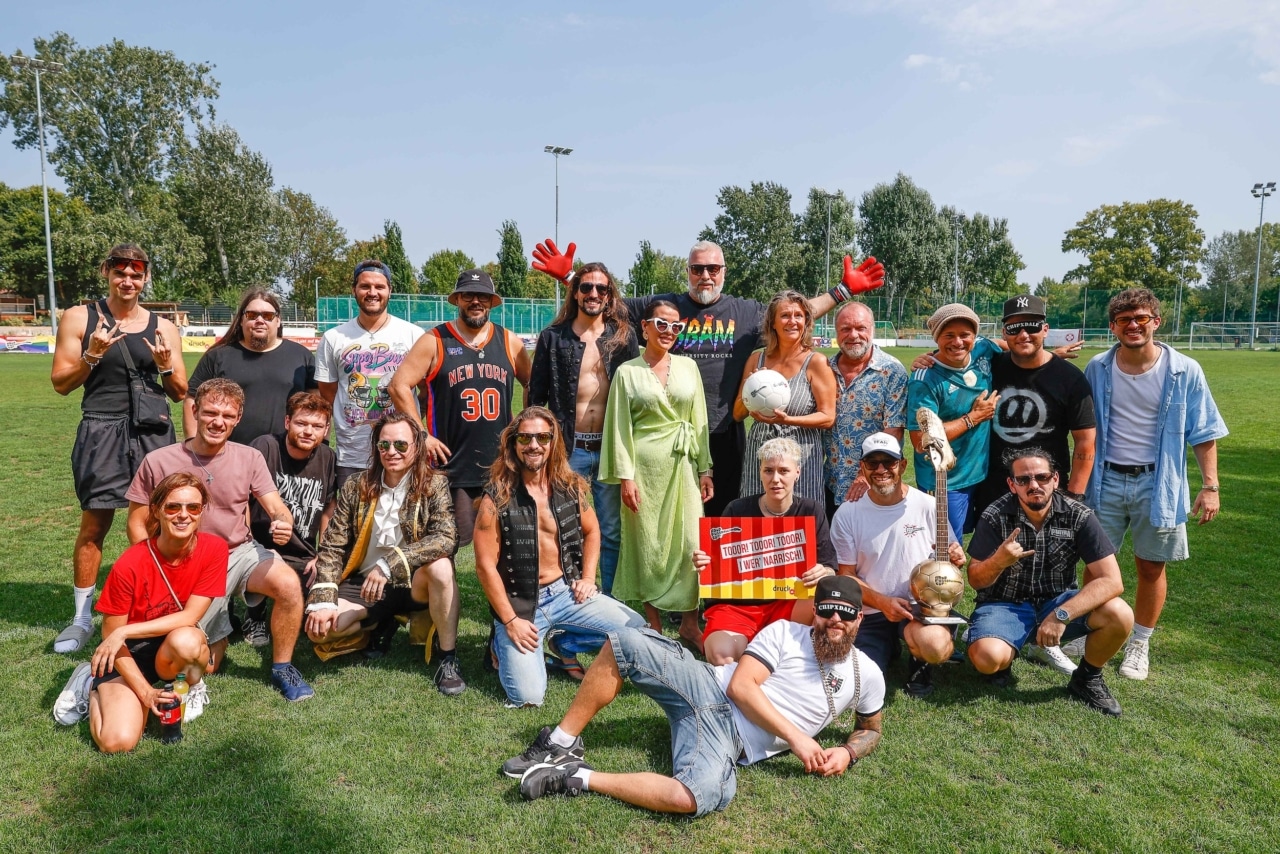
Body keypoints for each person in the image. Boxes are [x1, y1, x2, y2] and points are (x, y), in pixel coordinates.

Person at [533, 238, 884, 514]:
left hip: (724, 432)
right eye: (698, 269)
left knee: (725, 511)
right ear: (687, 271)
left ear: (723, 272)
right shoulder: (662, 308)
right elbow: (602, 301)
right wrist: (571, 278)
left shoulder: (743, 312)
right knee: (672, 511)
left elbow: (793, 313)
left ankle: (716, 594)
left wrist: (842, 291)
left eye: (713, 268)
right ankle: (674, 592)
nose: (706, 276)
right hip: (669, 434)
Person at [502, 576, 884, 816]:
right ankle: (560, 742)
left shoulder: (866, 673)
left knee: (696, 797)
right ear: (814, 612)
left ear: (859, 619)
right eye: (827, 612)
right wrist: (799, 738)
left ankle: (575, 777)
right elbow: (741, 687)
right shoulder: (786, 633)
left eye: (845, 615)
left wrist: (847, 753)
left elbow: (871, 729)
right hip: (707, 687)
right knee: (628, 641)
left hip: (726, 739)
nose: (835, 622)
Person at [125, 378, 314, 704]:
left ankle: (283, 666)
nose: (218, 422)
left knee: (287, 583)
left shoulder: (250, 457)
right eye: (210, 412)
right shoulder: (159, 461)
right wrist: (154, 566)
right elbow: (136, 522)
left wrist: (283, 522)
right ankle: (222, 630)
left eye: (227, 416)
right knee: (201, 665)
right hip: (184, 562)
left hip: (237, 553)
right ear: (195, 411)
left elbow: (275, 506)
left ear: (238, 418)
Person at [1081, 288, 1227, 681]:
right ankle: (1088, 629)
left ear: (1155, 322)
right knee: (1096, 567)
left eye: (1141, 318)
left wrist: (1210, 486)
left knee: (1150, 567)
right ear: (1113, 327)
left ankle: (1139, 644)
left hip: (1158, 482)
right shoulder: (1098, 367)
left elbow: (1204, 431)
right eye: (1124, 319)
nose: (1133, 325)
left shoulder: (1184, 370)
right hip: (1105, 479)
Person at [50, 243, 188, 653]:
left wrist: (164, 364)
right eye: (120, 272)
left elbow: (179, 391)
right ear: (107, 273)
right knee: (95, 526)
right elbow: (60, 383)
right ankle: (81, 619)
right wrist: (92, 355)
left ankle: (154, 607)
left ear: (145, 278)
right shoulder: (80, 316)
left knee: (154, 524)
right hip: (101, 428)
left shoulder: (163, 325)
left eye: (136, 273)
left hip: (152, 432)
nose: (128, 280)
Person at [474, 407, 646, 706]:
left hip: (566, 593)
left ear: (553, 443)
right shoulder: (496, 498)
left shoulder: (569, 487)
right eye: (525, 438)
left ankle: (564, 642)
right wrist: (510, 620)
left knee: (637, 630)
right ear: (513, 444)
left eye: (542, 437)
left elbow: (592, 532)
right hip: (521, 604)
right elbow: (485, 566)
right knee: (528, 697)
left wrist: (588, 578)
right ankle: (500, 643)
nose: (534, 445)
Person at [52, 473, 225, 752]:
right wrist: (145, 693)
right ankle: (88, 684)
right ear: (156, 510)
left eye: (193, 507)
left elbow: (189, 616)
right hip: (126, 654)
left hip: (170, 646)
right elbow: (112, 638)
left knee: (189, 641)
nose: (183, 515)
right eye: (173, 507)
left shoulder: (214, 549)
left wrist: (125, 630)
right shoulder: (130, 564)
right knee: (117, 742)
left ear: (201, 511)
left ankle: (190, 688)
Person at [966, 448, 1135, 716]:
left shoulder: (1079, 516)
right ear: (1012, 485)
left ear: (1055, 479)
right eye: (1023, 480)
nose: (1034, 485)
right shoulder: (995, 515)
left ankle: (1087, 678)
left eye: (1042, 477)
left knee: (1120, 613)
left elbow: (1112, 581)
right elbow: (975, 579)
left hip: (1056, 603)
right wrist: (998, 561)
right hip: (1004, 605)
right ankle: (1005, 649)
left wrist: (1062, 614)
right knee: (987, 659)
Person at [303, 411, 461, 693]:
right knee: (321, 632)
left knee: (442, 567)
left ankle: (447, 658)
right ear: (376, 448)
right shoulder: (355, 485)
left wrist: (391, 564)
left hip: (413, 583)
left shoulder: (434, 484)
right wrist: (323, 599)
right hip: (363, 584)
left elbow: (446, 538)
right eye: (384, 445)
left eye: (401, 445)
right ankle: (379, 622)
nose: (392, 452)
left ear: (417, 447)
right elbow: (332, 545)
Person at [387, 269, 532, 557]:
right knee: (445, 546)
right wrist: (423, 434)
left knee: (506, 545)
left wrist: (523, 426)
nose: (475, 301)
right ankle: (440, 601)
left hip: (500, 464)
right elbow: (398, 386)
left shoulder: (509, 342)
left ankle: (502, 603)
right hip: (451, 465)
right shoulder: (436, 340)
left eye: (483, 296)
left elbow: (532, 383)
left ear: (492, 302)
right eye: (468, 295)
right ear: (457, 300)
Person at [600, 300, 713, 647]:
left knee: (692, 544)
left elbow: (699, 419)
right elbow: (619, 427)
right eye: (661, 325)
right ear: (645, 327)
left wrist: (705, 468)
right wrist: (626, 477)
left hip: (683, 466)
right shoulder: (627, 372)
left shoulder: (689, 367)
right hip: (644, 470)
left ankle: (689, 623)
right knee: (647, 544)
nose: (668, 332)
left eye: (676, 327)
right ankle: (654, 625)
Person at [527, 261, 637, 596]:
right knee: (564, 524)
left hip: (608, 450)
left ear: (609, 296)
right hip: (567, 449)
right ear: (575, 292)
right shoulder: (553, 338)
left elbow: (634, 394)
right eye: (585, 287)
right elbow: (535, 399)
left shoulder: (622, 337)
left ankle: (610, 597)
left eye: (600, 289)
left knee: (611, 529)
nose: (593, 293)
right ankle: (567, 591)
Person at [831, 433, 965, 697]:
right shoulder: (847, 513)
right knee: (857, 680)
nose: (881, 470)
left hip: (919, 608)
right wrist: (882, 603)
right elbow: (845, 577)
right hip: (870, 610)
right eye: (872, 463)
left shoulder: (928, 505)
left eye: (889, 462)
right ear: (863, 468)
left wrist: (954, 560)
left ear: (902, 466)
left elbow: (947, 561)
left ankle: (919, 660)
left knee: (936, 646)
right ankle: (889, 644)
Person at [699, 437, 837, 665]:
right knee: (722, 656)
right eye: (768, 470)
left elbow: (830, 567)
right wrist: (706, 560)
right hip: (737, 606)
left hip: (790, 603)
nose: (776, 479)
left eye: (784, 471)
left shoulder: (811, 510)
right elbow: (715, 565)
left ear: (797, 472)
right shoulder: (737, 509)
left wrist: (824, 572)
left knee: (825, 605)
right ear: (760, 472)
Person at [976, 294, 1095, 515]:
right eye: (1014, 329)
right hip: (995, 490)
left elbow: (1085, 442)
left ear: (1045, 329)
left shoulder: (1070, 378)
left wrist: (1074, 498)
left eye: (1031, 327)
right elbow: (957, 352)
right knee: (994, 551)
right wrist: (931, 357)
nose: (1023, 334)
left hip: (1048, 490)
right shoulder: (989, 368)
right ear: (1004, 333)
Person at [316, 259, 424, 488]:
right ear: (354, 289)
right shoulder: (334, 338)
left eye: (379, 287)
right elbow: (328, 395)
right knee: (354, 521)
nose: (372, 292)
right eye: (365, 286)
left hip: (401, 451)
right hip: (352, 456)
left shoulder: (413, 335)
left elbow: (426, 392)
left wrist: (409, 424)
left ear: (390, 291)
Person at [243, 391, 338, 646]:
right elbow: (241, 498)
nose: (309, 431)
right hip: (260, 546)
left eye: (317, 426)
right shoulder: (264, 447)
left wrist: (323, 553)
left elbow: (329, 507)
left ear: (326, 429)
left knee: (317, 624)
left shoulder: (328, 457)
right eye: (301, 423)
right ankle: (255, 617)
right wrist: (245, 541)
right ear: (287, 423)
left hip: (302, 552)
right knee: (263, 568)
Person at [906, 303, 1002, 537]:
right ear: (936, 338)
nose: (958, 342)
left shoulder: (982, 349)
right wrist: (973, 418)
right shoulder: (924, 380)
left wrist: (1052, 355)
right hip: (945, 483)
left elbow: (1003, 346)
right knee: (945, 552)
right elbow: (920, 442)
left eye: (964, 335)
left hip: (981, 474)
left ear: (975, 336)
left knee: (985, 542)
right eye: (949, 335)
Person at [733, 290, 836, 502]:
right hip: (760, 455)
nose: (792, 321)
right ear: (772, 322)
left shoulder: (816, 362)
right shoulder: (756, 360)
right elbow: (737, 414)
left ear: (806, 321)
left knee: (800, 525)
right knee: (757, 522)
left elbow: (827, 417)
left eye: (798, 315)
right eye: (785, 315)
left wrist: (788, 420)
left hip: (801, 458)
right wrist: (751, 390)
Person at [183, 287, 317, 445]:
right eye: (252, 315)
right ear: (241, 320)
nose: (260, 320)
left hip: (287, 457)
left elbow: (317, 405)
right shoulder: (218, 356)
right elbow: (191, 399)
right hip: (229, 453)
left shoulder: (301, 356)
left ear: (278, 320)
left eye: (267, 316)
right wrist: (192, 444)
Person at [824, 301, 908, 520]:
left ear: (872, 330)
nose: (853, 335)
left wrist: (864, 475)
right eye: (845, 329)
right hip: (830, 483)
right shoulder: (825, 369)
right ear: (836, 332)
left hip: (874, 484)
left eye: (861, 328)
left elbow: (894, 431)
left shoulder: (892, 371)